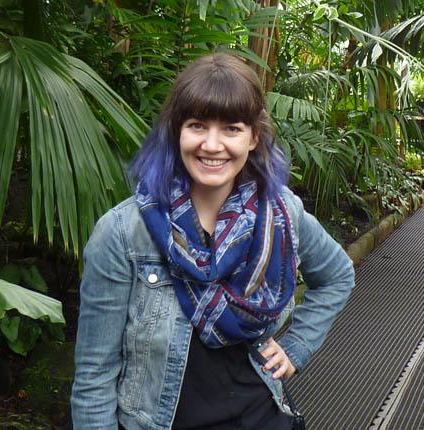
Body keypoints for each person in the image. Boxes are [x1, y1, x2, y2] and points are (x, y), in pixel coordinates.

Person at [71, 53, 355, 430]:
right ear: (177, 131)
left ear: (254, 136)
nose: (212, 144)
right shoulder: (124, 233)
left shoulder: (281, 214)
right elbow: (95, 376)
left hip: (260, 417)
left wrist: (295, 347)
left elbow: (337, 275)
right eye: (197, 125)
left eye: (232, 129)